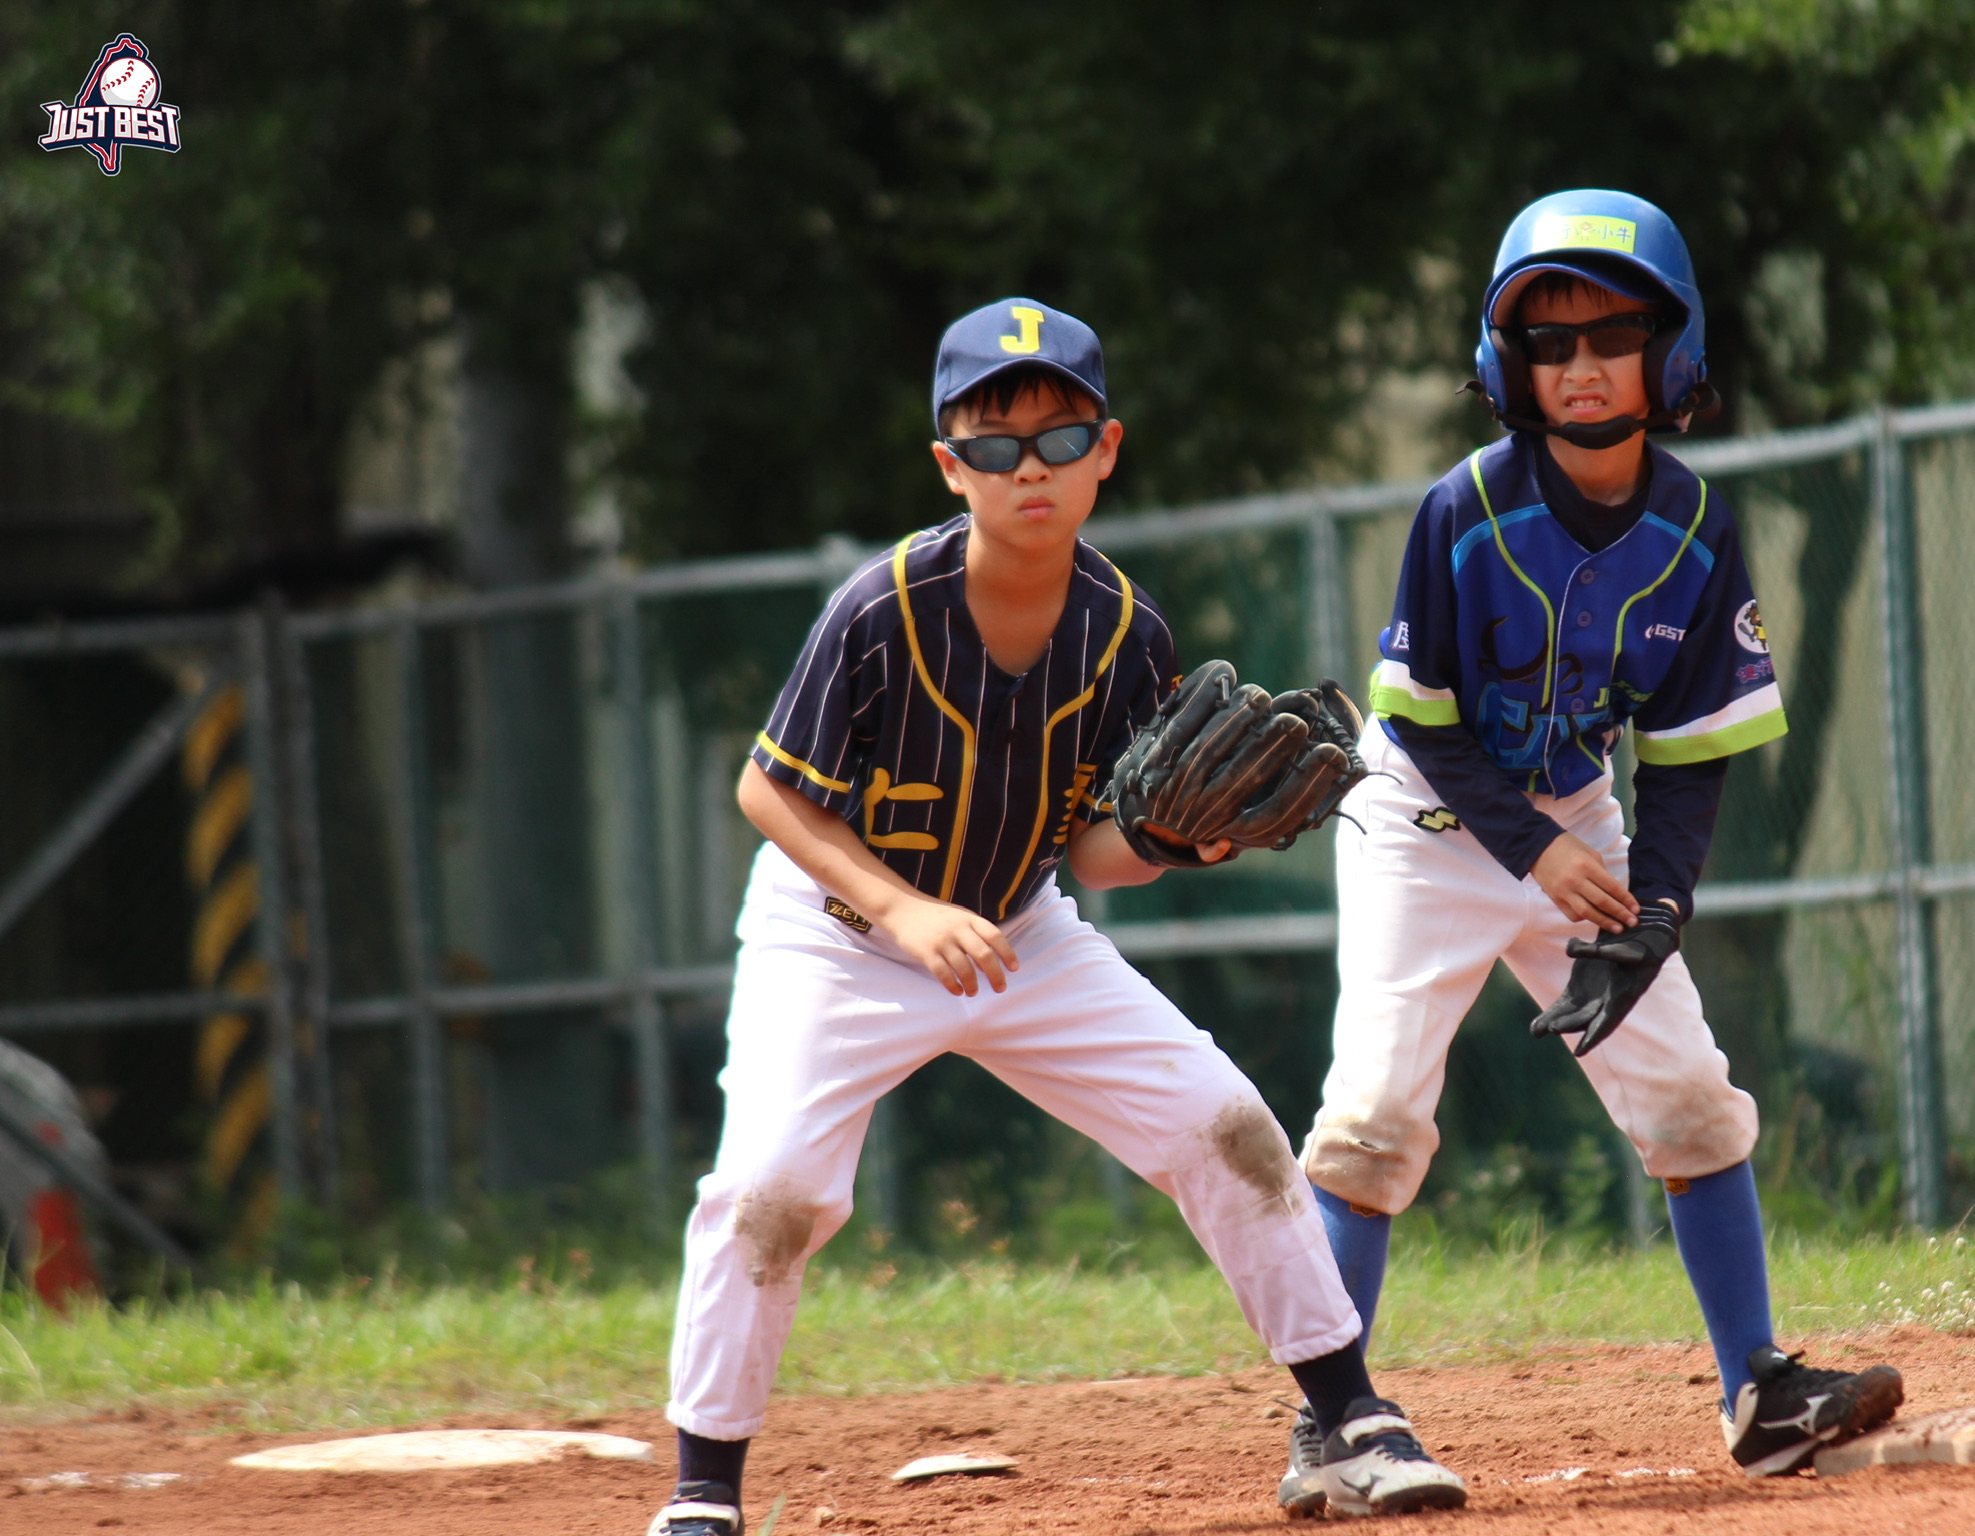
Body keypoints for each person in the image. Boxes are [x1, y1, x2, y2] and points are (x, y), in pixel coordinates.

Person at [649, 299, 1466, 1534]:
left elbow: (1092, 849)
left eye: (1056, 434)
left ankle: (1346, 1422)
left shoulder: (1125, 631)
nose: (1025, 465)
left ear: (1106, 450)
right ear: (947, 465)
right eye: (991, 442)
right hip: (840, 932)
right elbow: (767, 790)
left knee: (1225, 1125)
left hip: (1021, 930)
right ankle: (702, 1496)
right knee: (773, 1193)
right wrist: (904, 911)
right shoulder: (879, 610)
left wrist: (1165, 839)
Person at [1291, 191, 1907, 1482]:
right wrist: (1534, 854)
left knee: (1687, 1095)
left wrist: (1658, 914)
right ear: (1506, 364)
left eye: (1608, 334)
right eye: (1548, 340)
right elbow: (1428, 725)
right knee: (1373, 1113)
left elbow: (1688, 760)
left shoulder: (1693, 526)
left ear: (1666, 353)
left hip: (1575, 819)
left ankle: (1759, 1395)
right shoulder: (1460, 510)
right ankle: (1331, 1424)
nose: (1577, 365)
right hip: (1425, 820)